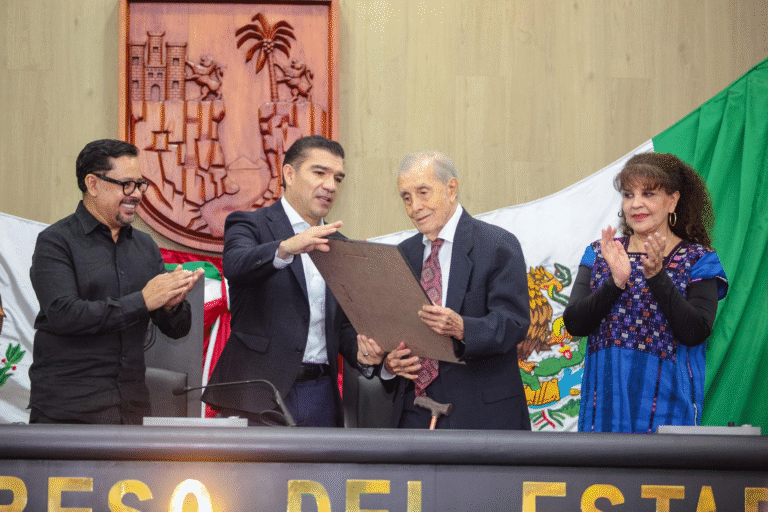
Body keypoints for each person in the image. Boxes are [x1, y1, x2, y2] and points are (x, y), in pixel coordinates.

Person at [28, 139, 204, 424]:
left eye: (140, 184)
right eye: (127, 185)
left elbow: (176, 330)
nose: (136, 194)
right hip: (68, 412)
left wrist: (171, 306)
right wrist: (144, 300)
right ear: (93, 184)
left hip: (131, 408)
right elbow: (64, 315)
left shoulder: (145, 246)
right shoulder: (56, 242)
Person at [202, 135, 372, 427]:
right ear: (289, 174)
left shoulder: (339, 245)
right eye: (319, 173)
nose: (330, 186)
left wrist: (366, 354)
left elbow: (341, 327)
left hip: (320, 395)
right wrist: (288, 247)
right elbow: (237, 265)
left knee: (322, 475)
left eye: (337, 178)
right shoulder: (250, 224)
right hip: (257, 395)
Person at [358, 151, 531, 429]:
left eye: (423, 192)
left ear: (451, 189)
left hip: (480, 418)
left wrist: (463, 327)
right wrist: (390, 365)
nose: (415, 206)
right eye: (406, 197)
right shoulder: (403, 255)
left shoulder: (497, 245)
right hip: (413, 414)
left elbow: (514, 323)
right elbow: (393, 332)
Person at [563, 152, 728, 433]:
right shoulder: (600, 253)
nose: (635, 204)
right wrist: (616, 282)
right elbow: (575, 324)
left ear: (672, 200)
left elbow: (695, 331)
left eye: (648, 194)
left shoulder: (699, 260)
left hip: (668, 412)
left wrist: (656, 277)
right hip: (603, 410)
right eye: (628, 195)